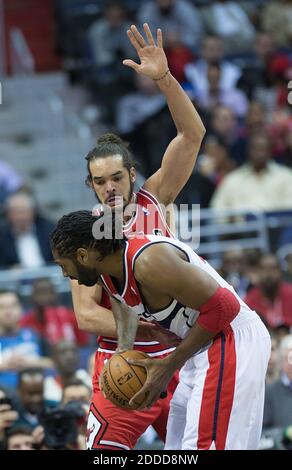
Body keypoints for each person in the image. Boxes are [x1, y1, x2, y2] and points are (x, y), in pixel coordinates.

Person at [70, 23, 205, 450]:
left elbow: (192, 135)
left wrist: (164, 79)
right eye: (98, 181)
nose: (108, 187)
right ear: (90, 186)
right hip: (123, 361)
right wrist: (156, 326)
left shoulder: (157, 197)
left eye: (115, 177)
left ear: (131, 175)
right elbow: (86, 316)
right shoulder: (86, 235)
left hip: (180, 363)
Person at [51, 210, 271, 450]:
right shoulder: (106, 271)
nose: (65, 274)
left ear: (83, 256)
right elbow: (121, 302)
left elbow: (225, 307)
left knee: (203, 446)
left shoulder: (148, 261)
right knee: (176, 447)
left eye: (64, 265)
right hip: (201, 345)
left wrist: (169, 365)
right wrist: (124, 351)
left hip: (230, 338)